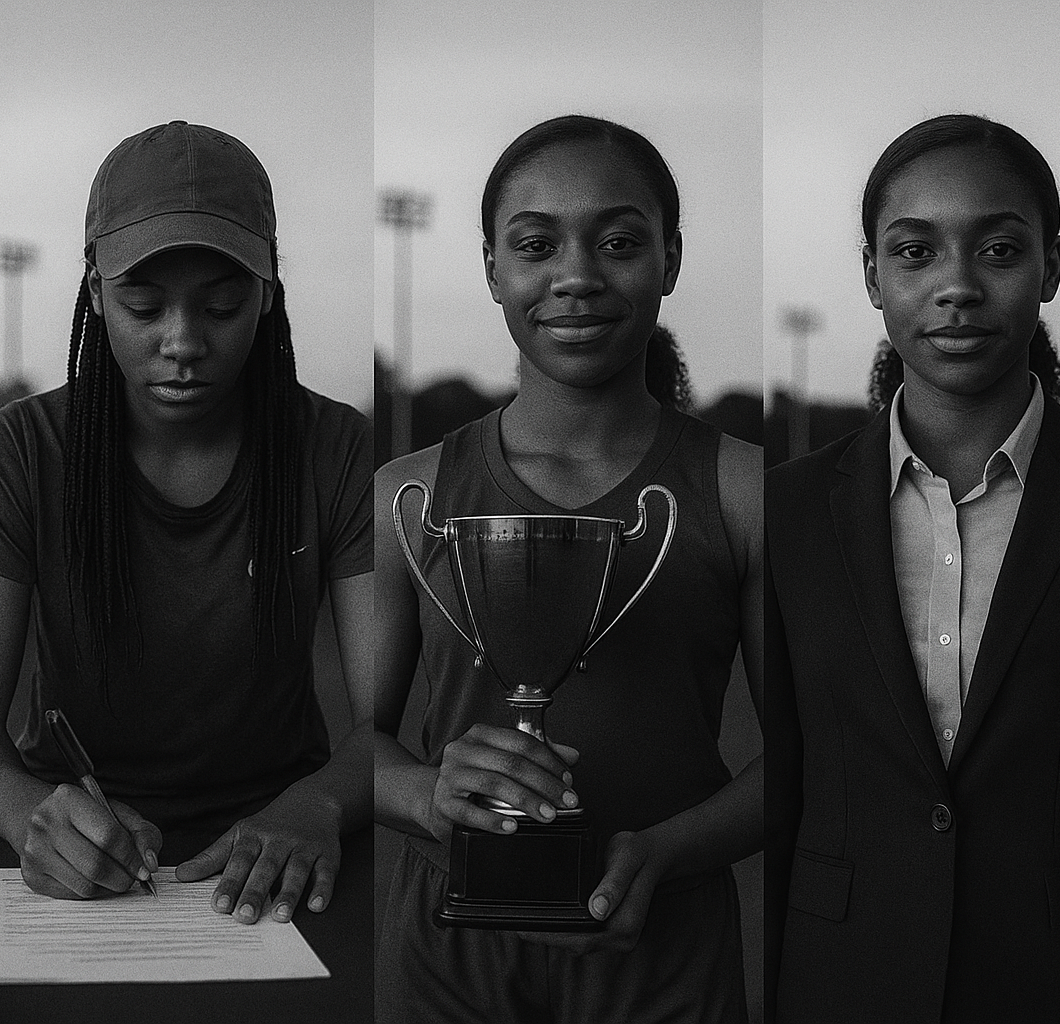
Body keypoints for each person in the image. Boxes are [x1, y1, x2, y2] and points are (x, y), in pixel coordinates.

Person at [373, 114, 762, 1023]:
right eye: (537, 244)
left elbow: (808, 758)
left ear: (669, 257)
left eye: (620, 241)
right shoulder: (410, 494)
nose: (577, 276)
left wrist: (666, 852)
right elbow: (356, 745)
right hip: (446, 948)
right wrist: (431, 795)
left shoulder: (743, 492)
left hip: (662, 941)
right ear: (492, 266)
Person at [764, 113, 1060, 1023]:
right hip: (839, 983)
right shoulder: (786, 511)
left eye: (999, 250)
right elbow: (784, 795)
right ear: (871, 277)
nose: (958, 287)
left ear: (1051, 265)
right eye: (916, 253)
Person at [0, 121, 373, 926]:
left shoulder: (332, 448)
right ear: (93, 291)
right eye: (143, 303)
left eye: (223, 305)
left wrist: (322, 804)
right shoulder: (28, 448)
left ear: (270, 292)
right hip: (72, 853)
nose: (184, 342)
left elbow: (388, 725)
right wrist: (27, 814)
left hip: (281, 852)